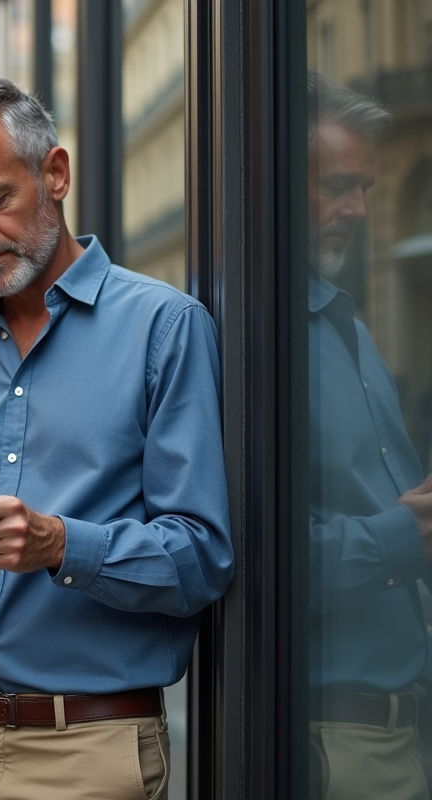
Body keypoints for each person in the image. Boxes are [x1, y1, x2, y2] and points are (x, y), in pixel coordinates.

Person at [0, 76, 234, 799]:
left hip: (87, 754)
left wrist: (59, 545)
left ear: (56, 174)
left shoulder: (164, 328)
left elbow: (202, 556)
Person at [303, 73, 431, 800]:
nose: (357, 208)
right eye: (337, 186)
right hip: (334, 746)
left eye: (364, 189)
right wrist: (403, 535)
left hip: (405, 728)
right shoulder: (243, 343)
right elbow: (248, 561)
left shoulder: (352, 333)